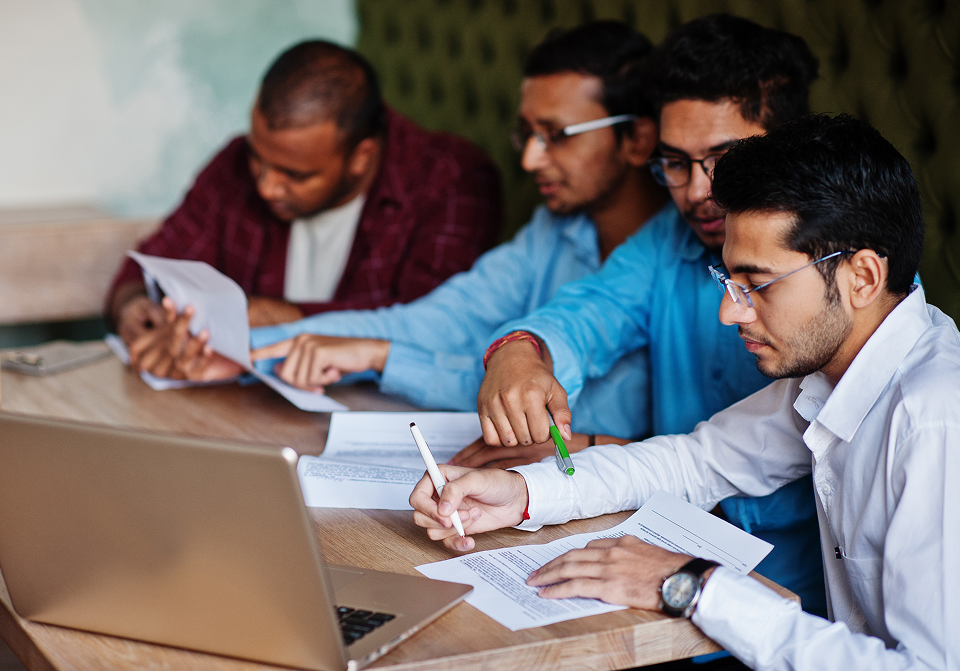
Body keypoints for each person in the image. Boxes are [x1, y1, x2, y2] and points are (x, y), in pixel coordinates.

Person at [411, 113, 956, 670]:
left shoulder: (936, 418)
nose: (729, 311)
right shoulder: (833, 374)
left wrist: (691, 585)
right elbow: (695, 462)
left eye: (757, 284)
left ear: (861, 278)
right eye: (728, 282)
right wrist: (520, 493)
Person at [474, 14, 826, 616]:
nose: (696, 191)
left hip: (791, 602)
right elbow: (588, 312)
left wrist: (599, 447)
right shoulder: (665, 239)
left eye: (724, 158)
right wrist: (519, 350)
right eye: (676, 163)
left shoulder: (846, 279)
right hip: (658, 567)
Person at [190, 21, 671, 446]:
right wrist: (245, 348)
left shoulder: (682, 254)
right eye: (526, 134)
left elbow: (538, 407)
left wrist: (381, 359)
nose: (529, 160)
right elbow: (435, 321)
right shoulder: (554, 229)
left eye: (557, 135)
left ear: (638, 140)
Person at [106, 39, 501, 379]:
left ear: (361, 157)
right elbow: (147, 267)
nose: (265, 185)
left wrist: (279, 317)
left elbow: (434, 328)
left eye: (295, 174)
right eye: (258, 159)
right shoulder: (234, 164)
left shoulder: (452, 181)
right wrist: (135, 307)